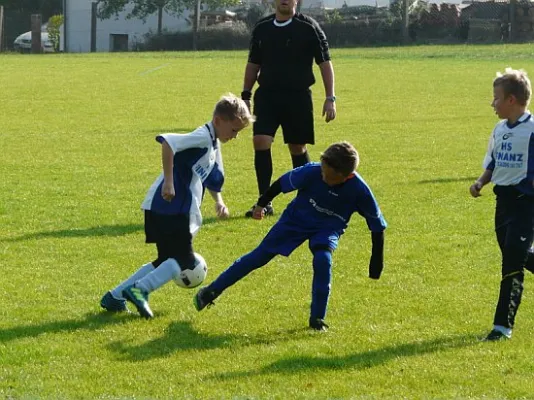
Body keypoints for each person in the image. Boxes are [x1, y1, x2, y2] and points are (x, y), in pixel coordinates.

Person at [194, 142, 387, 331]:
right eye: (322, 172)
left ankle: (317, 318)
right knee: (259, 256)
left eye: (329, 177)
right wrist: (261, 204)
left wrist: (376, 264)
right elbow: (281, 184)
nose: (323, 177)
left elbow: (377, 227)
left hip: (328, 228)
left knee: (323, 260)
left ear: (347, 176)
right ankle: (211, 291)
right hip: (296, 220)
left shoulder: (360, 191)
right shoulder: (312, 171)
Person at [100, 94, 254, 319]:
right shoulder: (202, 136)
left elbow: (208, 176)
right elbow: (168, 143)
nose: (235, 136)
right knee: (185, 260)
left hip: (167, 206)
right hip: (172, 206)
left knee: (165, 260)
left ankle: (114, 297)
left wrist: (218, 202)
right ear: (219, 120)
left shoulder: (212, 143)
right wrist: (170, 182)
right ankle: (139, 290)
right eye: (234, 130)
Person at [241, 0, 337, 218]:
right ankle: (263, 202)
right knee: (260, 141)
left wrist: (330, 98)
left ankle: (305, 201)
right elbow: (253, 64)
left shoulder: (309, 27)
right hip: (267, 95)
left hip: (298, 97)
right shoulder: (262, 28)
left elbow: (325, 63)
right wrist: (245, 95)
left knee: (297, 147)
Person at [470, 68, 534, 341]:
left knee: (511, 262)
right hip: (503, 202)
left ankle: (502, 326)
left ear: (511, 100)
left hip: (526, 203)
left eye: (496, 98)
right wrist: (481, 182)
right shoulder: (498, 129)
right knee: (515, 253)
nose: (492, 103)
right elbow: (495, 161)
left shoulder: (531, 130)